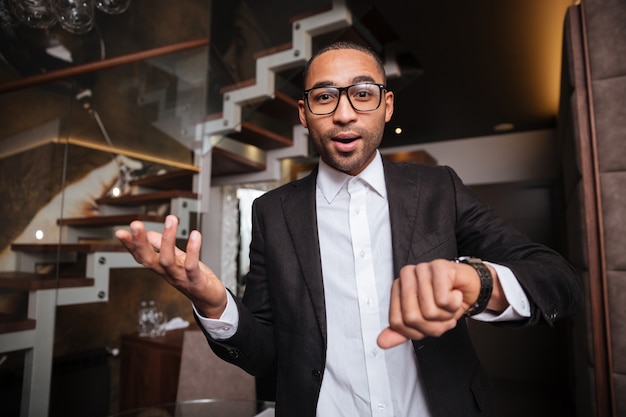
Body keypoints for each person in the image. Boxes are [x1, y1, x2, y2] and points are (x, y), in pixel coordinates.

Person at [115, 41, 582, 417]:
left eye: (362, 93)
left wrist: (479, 283)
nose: (344, 113)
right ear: (304, 114)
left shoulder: (438, 188)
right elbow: (267, 356)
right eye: (324, 96)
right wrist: (213, 302)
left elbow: (557, 280)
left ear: (387, 105)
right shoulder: (272, 212)